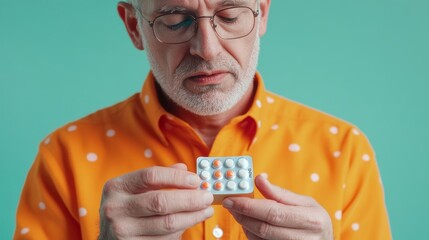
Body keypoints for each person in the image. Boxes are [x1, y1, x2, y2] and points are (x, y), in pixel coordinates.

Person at [15, 0, 392, 239]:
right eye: (175, 20)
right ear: (133, 26)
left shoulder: (343, 149)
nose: (206, 49)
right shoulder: (64, 155)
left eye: (229, 16)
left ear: (262, 12)